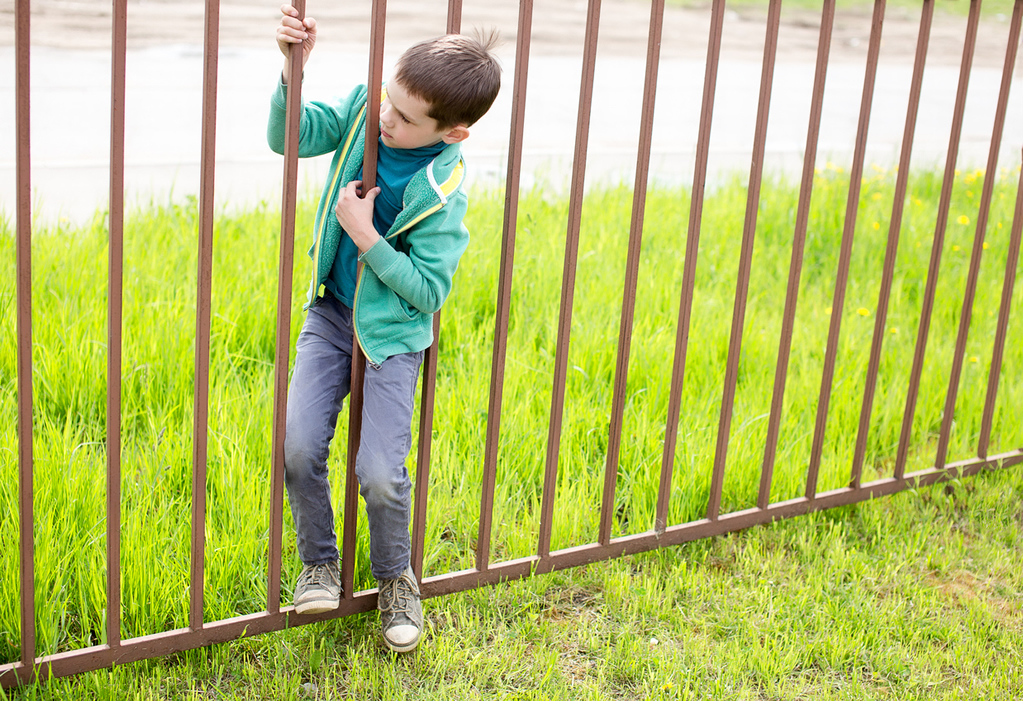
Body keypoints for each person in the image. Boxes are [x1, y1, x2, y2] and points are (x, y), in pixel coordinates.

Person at [268, 3, 500, 652]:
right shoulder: (369, 107)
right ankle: (319, 561)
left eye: (403, 117)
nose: (384, 118)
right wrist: (293, 74)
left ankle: (396, 578)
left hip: (393, 337)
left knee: (378, 471)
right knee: (296, 447)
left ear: (451, 132)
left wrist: (367, 238)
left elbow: (428, 290)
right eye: (387, 101)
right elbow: (289, 137)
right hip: (331, 315)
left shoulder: (441, 188)